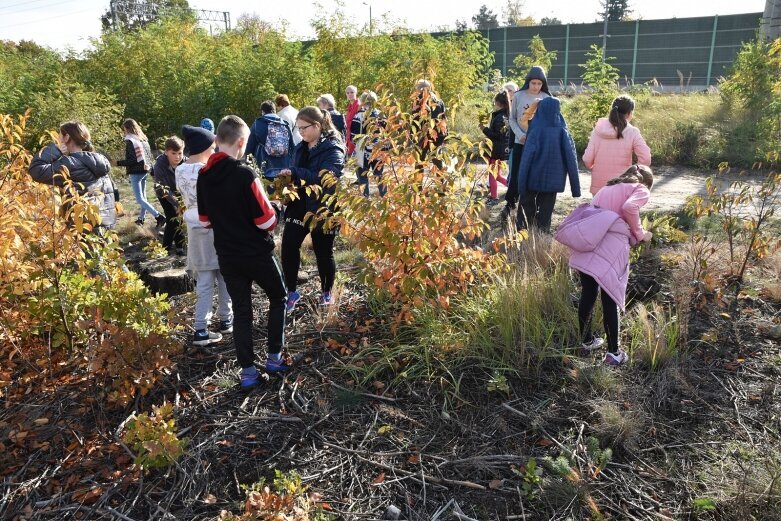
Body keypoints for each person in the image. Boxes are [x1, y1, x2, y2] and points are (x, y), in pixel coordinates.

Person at [197, 115, 290, 388]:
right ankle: (274, 357)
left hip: (227, 255)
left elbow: (204, 221)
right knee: (279, 296)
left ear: (216, 140)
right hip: (256, 253)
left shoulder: (204, 176)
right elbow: (267, 222)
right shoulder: (245, 174)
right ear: (241, 142)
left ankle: (248, 372)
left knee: (242, 311)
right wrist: (276, 209)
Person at [554, 165, 654, 366]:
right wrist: (642, 234)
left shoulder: (606, 188)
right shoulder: (640, 188)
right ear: (645, 182)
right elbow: (629, 208)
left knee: (588, 294)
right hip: (611, 247)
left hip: (589, 246)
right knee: (611, 297)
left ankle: (587, 341)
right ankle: (614, 354)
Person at [279, 107, 345, 311]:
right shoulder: (301, 147)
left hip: (324, 206)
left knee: (323, 251)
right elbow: (296, 174)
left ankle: (327, 292)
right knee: (289, 246)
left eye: (304, 128)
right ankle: (291, 292)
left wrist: (296, 172)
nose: (300, 133)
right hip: (299, 205)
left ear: (317, 125)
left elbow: (327, 178)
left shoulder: (334, 148)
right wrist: (285, 183)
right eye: (297, 129)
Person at [175, 125, 233, 347]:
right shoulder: (207, 170)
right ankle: (225, 320)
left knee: (205, 280)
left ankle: (202, 327)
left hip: (194, 229)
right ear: (206, 147)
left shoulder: (180, 170)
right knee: (224, 276)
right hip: (215, 227)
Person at [28, 121, 117, 231]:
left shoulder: (69, 164)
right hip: (107, 224)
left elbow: (36, 170)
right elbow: (114, 192)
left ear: (67, 137)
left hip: (83, 227)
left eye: (60, 135)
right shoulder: (99, 160)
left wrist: (56, 150)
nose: (58, 140)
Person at [515, 96, 580, 233]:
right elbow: (571, 158)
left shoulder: (535, 129)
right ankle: (543, 234)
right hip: (554, 179)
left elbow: (526, 158)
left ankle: (522, 232)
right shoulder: (563, 130)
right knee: (547, 209)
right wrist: (576, 189)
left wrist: (521, 184)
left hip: (533, 175)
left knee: (526, 204)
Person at [582, 95, 651, 196]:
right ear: (629, 113)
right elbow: (645, 158)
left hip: (599, 189)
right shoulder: (632, 132)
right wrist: (635, 172)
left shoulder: (597, 130)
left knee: (599, 212)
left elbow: (587, 159)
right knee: (618, 212)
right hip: (622, 186)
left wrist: (593, 167)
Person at [506, 67, 551, 211]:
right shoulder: (518, 96)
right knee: (517, 173)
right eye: (533, 83)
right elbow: (512, 119)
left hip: (538, 144)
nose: (536, 86)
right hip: (521, 141)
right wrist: (520, 135)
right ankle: (511, 202)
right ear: (528, 82)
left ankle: (529, 204)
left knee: (534, 173)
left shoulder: (547, 98)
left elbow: (549, 123)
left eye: (539, 83)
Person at [118, 118, 165, 228]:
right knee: (143, 197)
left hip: (136, 172)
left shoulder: (130, 141)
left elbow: (133, 160)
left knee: (139, 199)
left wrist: (118, 163)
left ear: (128, 128)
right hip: (145, 170)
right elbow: (149, 157)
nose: (124, 131)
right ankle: (141, 219)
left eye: (124, 129)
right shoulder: (143, 140)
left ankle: (159, 217)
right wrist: (152, 171)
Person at [152, 136, 186, 255]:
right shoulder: (159, 165)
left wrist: (180, 204)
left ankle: (179, 245)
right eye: (173, 153)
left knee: (180, 219)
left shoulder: (185, 162)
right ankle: (166, 247)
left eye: (180, 153)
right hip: (163, 193)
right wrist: (177, 204)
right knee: (172, 218)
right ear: (166, 152)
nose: (177, 156)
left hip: (179, 192)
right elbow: (163, 189)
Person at [350, 91, 386, 197]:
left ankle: (365, 200)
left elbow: (354, 136)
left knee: (362, 175)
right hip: (379, 149)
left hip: (363, 150)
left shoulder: (359, 116)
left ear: (362, 101)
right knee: (379, 174)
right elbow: (386, 133)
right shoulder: (381, 115)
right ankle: (385, 197)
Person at [246, 100, 294, 172]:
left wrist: (248, 164)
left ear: (263, 112)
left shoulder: (258, 123)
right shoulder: (285, 124)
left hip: (265, 167)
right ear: (274, 111)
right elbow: (292, 147)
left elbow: (250, 146)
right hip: (284, 168)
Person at [479, 91, 510, 202]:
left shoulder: (499, 117)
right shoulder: (505, 115)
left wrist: (484, 129)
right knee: (497, 175)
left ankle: (494, 196)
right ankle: (512, 188)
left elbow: (497, 136)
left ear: (497, 102)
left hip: (496, 151)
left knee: (492, 174)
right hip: (501, 150)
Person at [412, 79, 447, 172]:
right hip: (437, 136)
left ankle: (418, 186)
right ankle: (442, 184)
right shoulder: (440, 101)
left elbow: (415, 120)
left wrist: (413, 136)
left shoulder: (419, 102)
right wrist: (444, 135)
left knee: (419, 162)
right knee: (437, 160)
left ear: (420, 89)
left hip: (422, 136)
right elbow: (444, 120)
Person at [344, 85, 361, 156]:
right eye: (347, 93)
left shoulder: (359, 105)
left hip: (356, 137)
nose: (350, 94)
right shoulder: (350, 106)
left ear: (356, 93)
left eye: (352, 92)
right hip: (349, 136)